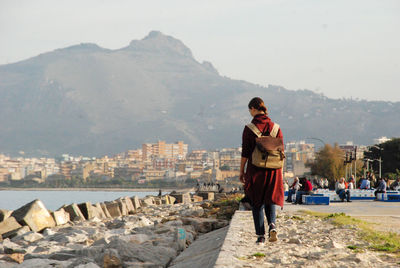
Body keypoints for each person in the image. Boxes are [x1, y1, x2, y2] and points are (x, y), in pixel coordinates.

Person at [239, 97, 284, 244]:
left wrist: (242, 171)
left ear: (253, 109)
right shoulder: (276, 128)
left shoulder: (249, 129)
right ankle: (272, 225)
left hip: (256, 170)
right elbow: (281, 151)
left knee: (256, 202)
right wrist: (281, 172)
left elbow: (245, 153)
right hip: (274, 170)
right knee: (270, 199)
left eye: (250, 110)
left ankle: (261, 236)